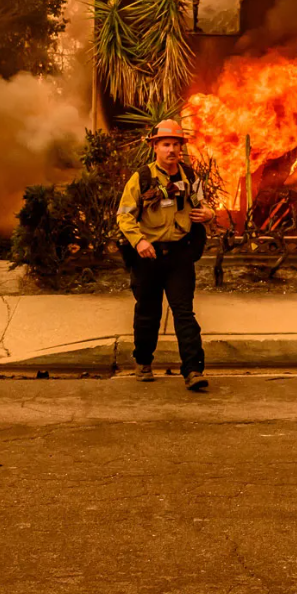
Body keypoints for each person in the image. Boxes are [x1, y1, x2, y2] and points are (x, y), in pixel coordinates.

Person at [116, 120, 217, 391]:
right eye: (166, 144)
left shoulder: (189, 177)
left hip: (179, 256)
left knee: (184, 312)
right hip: (148, 257)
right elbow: (124, 216)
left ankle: (193, 371)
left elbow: (204, 205)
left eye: (176, 144)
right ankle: (144, 362)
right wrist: (138, 242)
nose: (172, 149)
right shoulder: (142, 178)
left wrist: (208, 214)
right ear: (155, 147)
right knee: (148, 312)